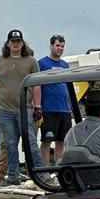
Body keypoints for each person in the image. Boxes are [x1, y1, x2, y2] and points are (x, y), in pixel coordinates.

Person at [0, 29, 41, 183]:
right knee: (10, 144)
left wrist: (38, 106)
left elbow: (36, 85)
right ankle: (13, 175)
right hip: (4, 109)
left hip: (25, 108)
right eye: (13, 41)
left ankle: (39, 172)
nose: (15, 44)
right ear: (8, 44)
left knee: (30, 142)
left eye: (18, 41)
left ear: (22, 43)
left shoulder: (31, 61)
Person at [36, 35, 71, 167]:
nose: (60, 48)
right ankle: (45, 168)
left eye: (62, 46)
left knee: (61, 141)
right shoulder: (42, 63)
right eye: (57, 45)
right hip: (49, 109)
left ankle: (59, 166)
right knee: (46, 140)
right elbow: (36, 85)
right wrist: (37, 105)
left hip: (65, 109)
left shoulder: (64, 64)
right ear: (51, 46)